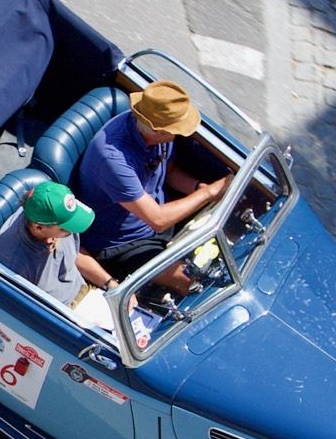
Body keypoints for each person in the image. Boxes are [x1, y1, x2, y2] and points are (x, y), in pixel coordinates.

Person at [72, 81, 228, 293]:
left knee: (225, 249)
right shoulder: (113, 158)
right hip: (120, 244)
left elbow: (169, 173)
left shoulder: (159, 137)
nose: (181, 133)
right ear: (158, 129)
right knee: (194, 282)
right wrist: (209, 193)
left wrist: (198, 188)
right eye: (176, 129)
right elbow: (158, 220)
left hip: (155, 217)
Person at [0, 180, 116, 305]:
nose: (71, 232)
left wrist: (110, 284)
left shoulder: (54, 218)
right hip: (64, 317)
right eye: (65, 229)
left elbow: (75, 255)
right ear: (39, 228)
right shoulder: (13, 263)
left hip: (87, 293)